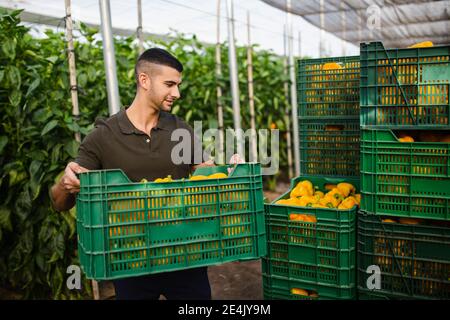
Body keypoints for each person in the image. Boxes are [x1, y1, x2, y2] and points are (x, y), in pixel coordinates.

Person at [51, 48, 216, 300]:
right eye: (169, 84)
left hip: (185, 256)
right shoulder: (103, 137)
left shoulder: (179, 128)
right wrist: (66, 183)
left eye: (178, 85)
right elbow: (59, 202)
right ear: (144, 80)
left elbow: (204, 175)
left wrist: (221, 170)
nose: (177, 93)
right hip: (131, 261)